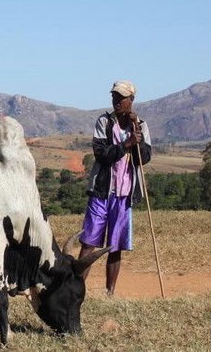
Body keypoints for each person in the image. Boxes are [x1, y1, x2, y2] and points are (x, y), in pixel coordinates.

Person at [79, 80, 151, 296]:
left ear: (131, 101)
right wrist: (126, 144)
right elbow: (101, 154)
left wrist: (137, 138)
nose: (116, 101)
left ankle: (110, 292)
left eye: (121, 98)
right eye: (114, 97)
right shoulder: (104, 122)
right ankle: (77, 290)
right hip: (102, 191)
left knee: (116, 244)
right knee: (89, 242)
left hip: (124, 194)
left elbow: (144, 159)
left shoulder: (142, 126)